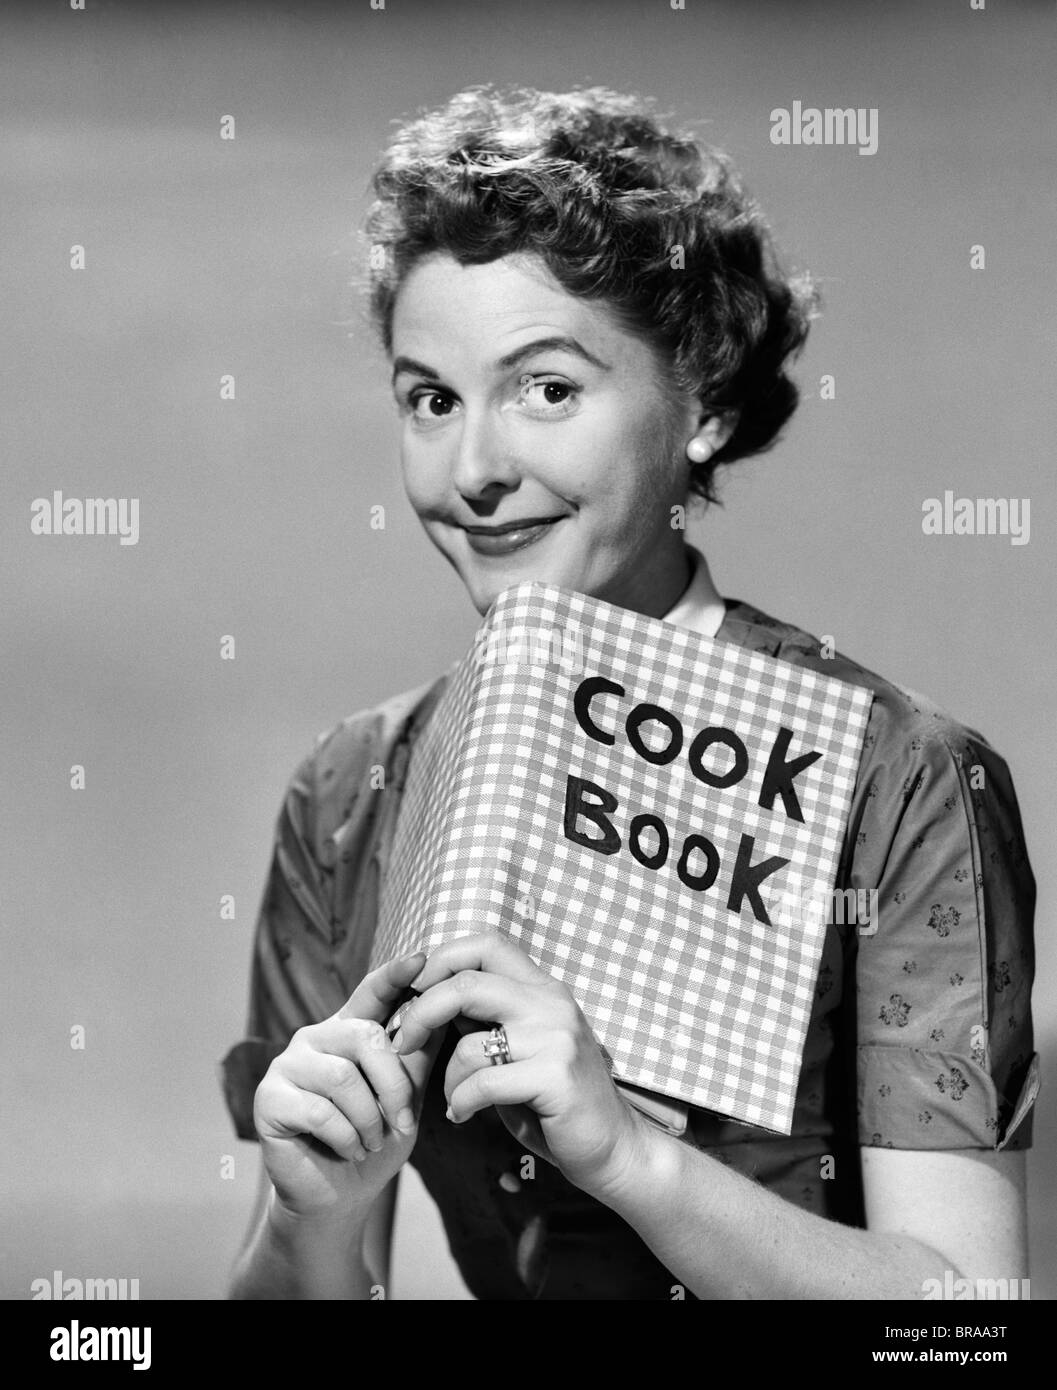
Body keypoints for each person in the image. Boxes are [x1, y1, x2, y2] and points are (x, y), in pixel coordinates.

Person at [219, 85, 1037, 1300]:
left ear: (701, 398)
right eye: (431, 399)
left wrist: (633, 1158)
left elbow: (964, 1325)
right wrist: (312, 1216)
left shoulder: (893, 772)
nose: (478, 470)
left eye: (546, 388)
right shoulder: (351, 792)